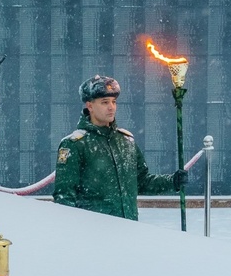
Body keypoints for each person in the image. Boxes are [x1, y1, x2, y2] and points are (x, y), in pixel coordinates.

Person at [53, 75, 187, 220]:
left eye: (114, 102)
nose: (111, 107)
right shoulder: (75, 144)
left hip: (128, 230)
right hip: (93, 234)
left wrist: (172, 182)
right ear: (90, 106)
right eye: (105, 102)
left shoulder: (126, 141)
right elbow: (64, 196)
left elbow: (141, 182)